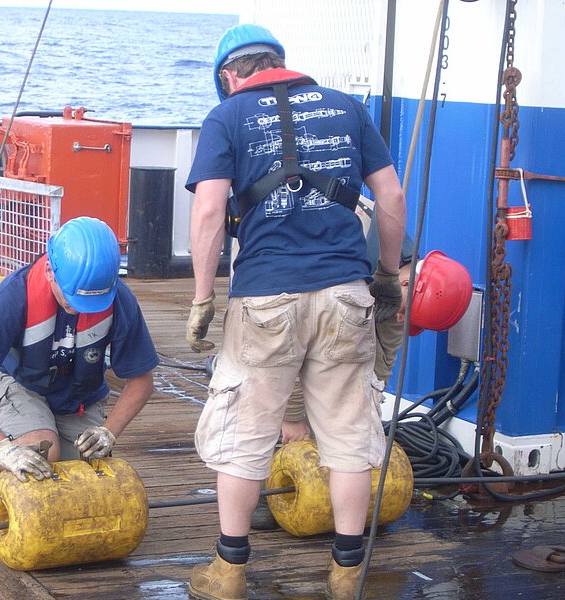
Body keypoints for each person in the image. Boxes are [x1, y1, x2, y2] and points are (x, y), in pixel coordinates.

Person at [184, 23, 406, 600]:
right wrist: (387, 274)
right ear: (279, 61)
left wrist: (203, 296)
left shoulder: (226, 117)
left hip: (266, 299)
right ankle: (347, 572)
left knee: (245, 434)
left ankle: (228, 572)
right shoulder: (346, 107)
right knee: (349, 433)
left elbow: (208, 212)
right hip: (345, 294)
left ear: (229, 76)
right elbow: (391, 195)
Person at [0, 216, 159, 513]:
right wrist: (3, 449)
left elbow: (142, 380)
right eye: (72, 299)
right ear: (50, 271)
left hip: (78, 397)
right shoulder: (13, 297)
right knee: (39, 458)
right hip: (22, 385)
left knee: (83, 487)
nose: (80, 308)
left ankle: (49, 445)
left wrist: (108, 431)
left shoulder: (119, 299)